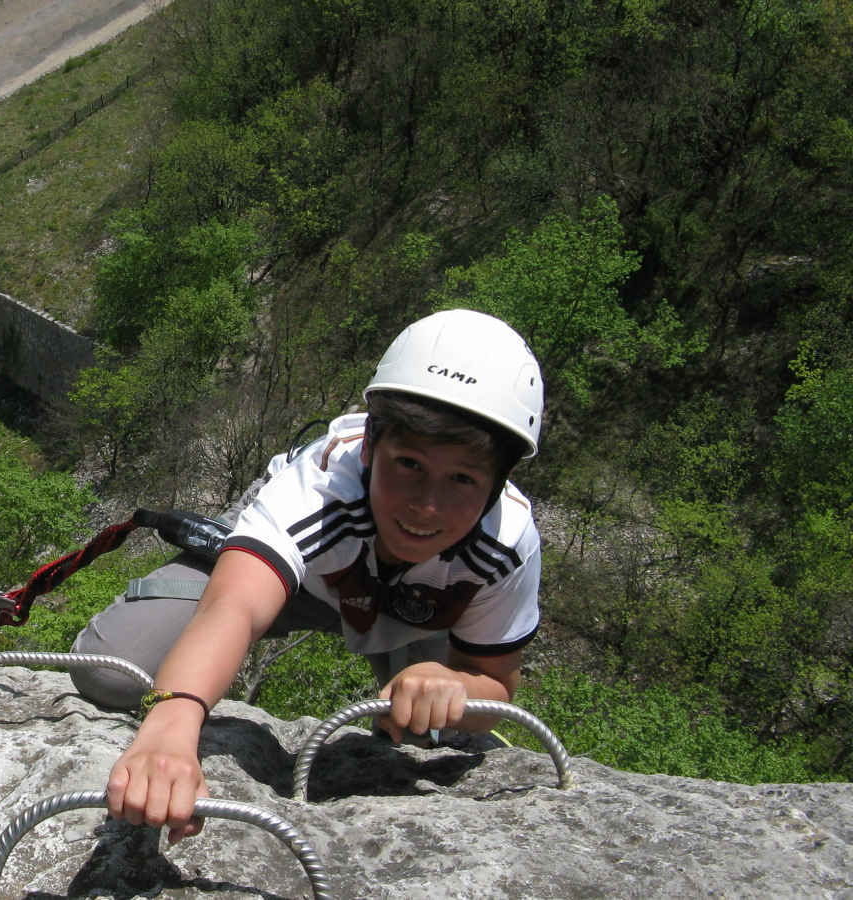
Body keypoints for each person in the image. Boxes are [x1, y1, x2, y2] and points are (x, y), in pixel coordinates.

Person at [68, 308, 545, 843]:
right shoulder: (316, 493)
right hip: (298, 576)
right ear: (368, 445)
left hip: (417, 612)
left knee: (431, 730)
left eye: (461, 479)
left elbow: (495, 681)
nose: (426, 506)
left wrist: (455, 687)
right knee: (110, 674)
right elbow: (236, 607)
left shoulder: (505, 544)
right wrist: (170, 727)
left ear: (501, 481)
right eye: (408, 463)